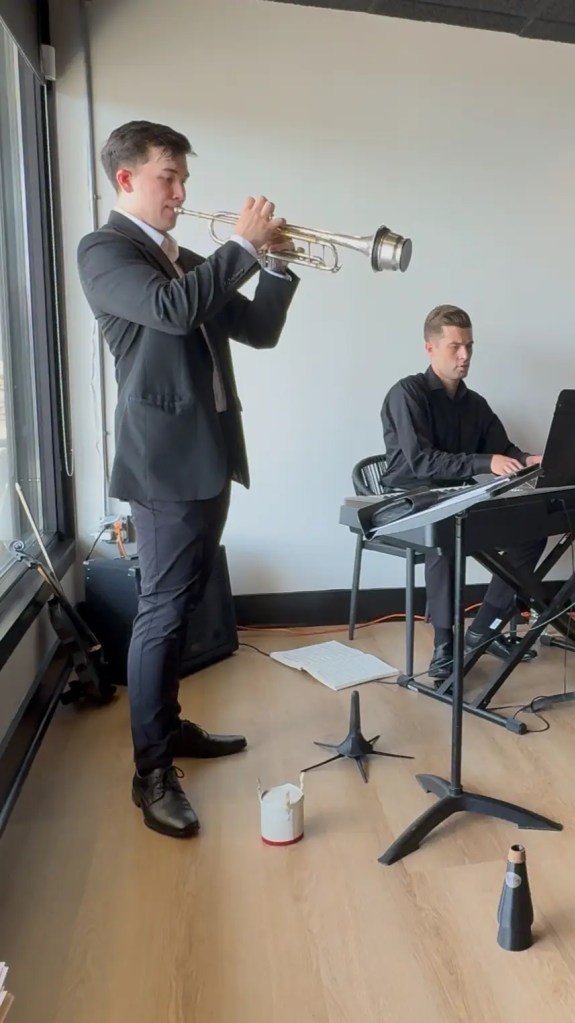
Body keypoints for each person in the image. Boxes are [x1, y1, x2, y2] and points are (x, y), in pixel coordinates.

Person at [77, 120, 300, 839]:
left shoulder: (184, 258)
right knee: (163, 612)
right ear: (126, 180)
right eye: (168, 176)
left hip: (207, 459)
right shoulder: (105, 252)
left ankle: (169, 729)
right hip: (165, 467)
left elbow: (259, 331)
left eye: (183, 178)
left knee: (182, 605)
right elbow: (174, 313)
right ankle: (150, 772)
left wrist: (277, 266)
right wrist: (239, 245)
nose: (181, 191)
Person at [380, 304, 545, 678]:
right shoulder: (407, 393)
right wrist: (485, 463)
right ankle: (444, 643)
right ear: (430, 348)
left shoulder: (475, 404)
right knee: (446, 531)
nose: (465, 355)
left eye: (469, 345)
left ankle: (483, 628)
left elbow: (503, 449)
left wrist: (528, 459)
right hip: (407, 500)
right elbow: (422, 462)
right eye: (455, 346)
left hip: (458, 498)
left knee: (533, 530)